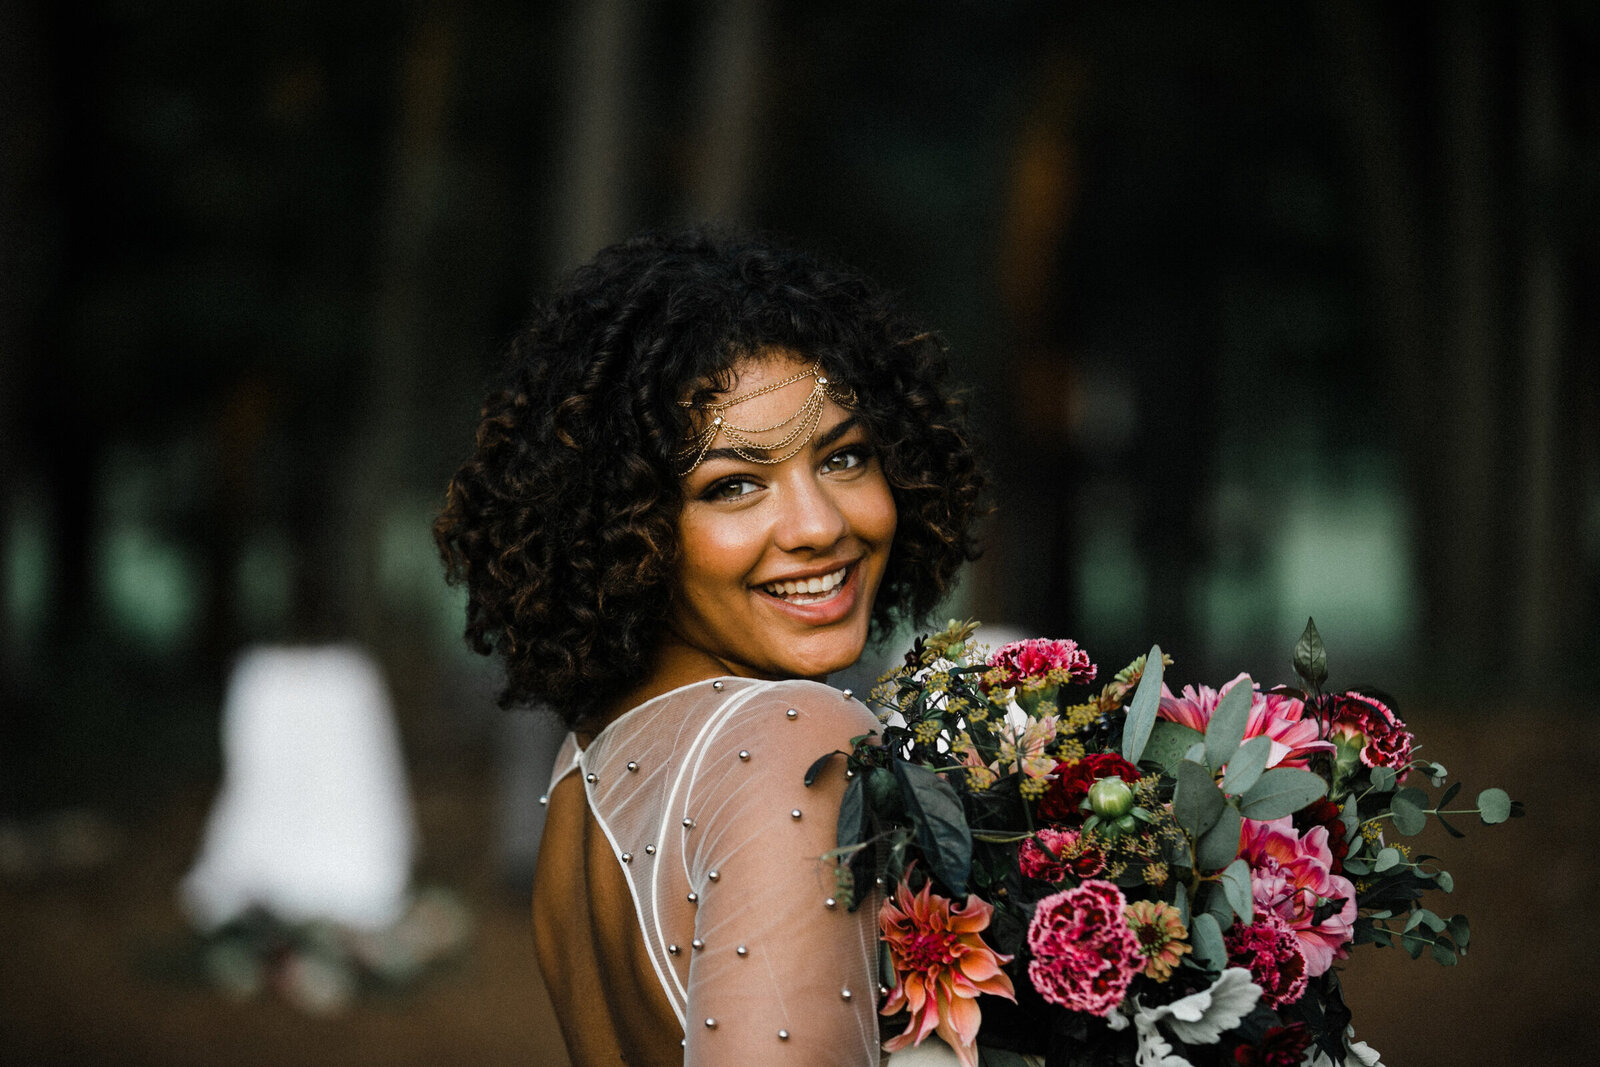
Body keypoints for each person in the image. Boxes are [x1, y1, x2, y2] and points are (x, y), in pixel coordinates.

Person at [434, 227, 986, 1065]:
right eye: (734, 485)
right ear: (626, 529)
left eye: (844, 458)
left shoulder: (589, 776)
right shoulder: (795, 738)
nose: (819, 525)